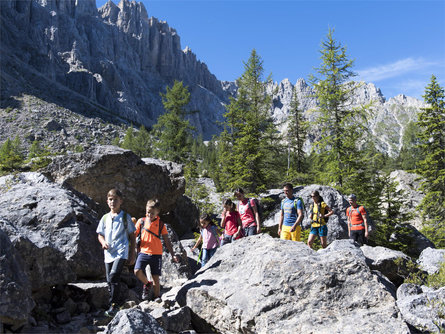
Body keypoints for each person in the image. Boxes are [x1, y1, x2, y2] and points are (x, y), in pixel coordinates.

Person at [96, 188, 136, 317]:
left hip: (121, 251)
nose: (113, 202)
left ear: (121, 201)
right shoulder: (105, 218)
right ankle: (113, 303)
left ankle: (114, 305)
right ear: (107, 201)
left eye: (115, 200)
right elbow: (99, 234)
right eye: (110, 199)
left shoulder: (125, 217)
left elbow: (132, 236)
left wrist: (132, 254)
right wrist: (103, 242)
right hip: (108, 253)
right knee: (110, 280)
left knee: (113, 275)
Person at [133, 200, 180, 302]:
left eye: (152, 213)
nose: (149, 215)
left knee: (156, 278)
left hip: (157, 254)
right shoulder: (141, 221)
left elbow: (167, 240)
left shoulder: (161, 224)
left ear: (157, 212)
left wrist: (173, 254)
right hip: (143, 252)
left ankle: (157, 297)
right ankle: (147, 284)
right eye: (148, 212)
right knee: (137, 271)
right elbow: (133, 234)